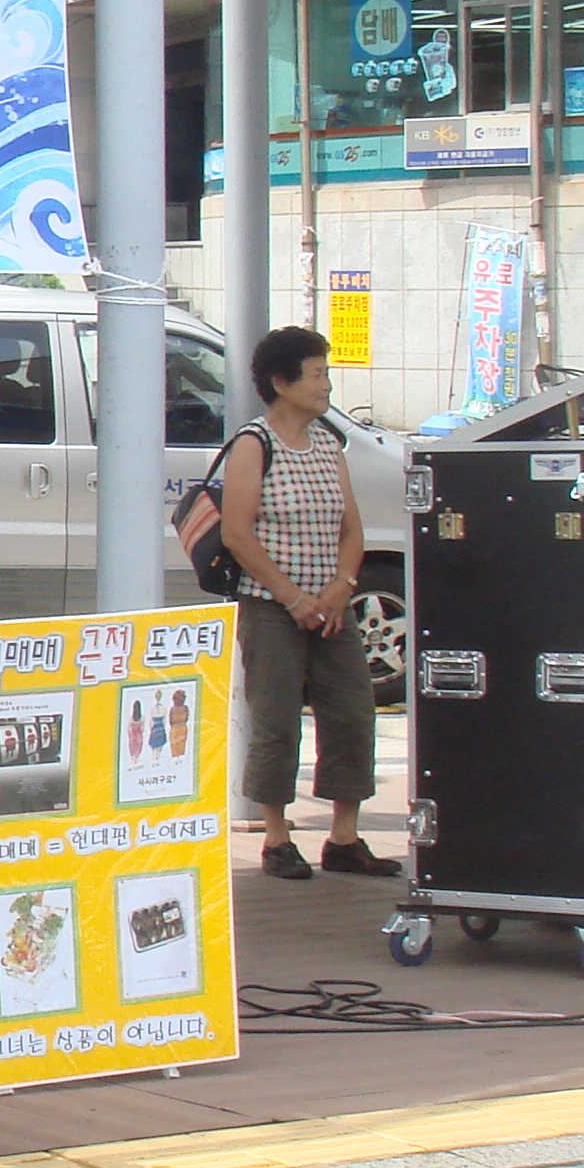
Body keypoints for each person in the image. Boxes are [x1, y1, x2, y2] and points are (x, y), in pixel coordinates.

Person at [222, 326, 397, 880]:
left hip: (331, 609)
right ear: (282, 382)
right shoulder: (254, 444)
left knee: (352, 713)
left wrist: (342, 586)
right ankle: (276, 839)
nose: (326, 385)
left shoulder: (327, 444)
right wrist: (293, 597)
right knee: (276, 720)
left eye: (326, 373)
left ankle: (344, 837)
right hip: (271, 606)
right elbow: (236, 533)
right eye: (316, 374)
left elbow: (352, 529)